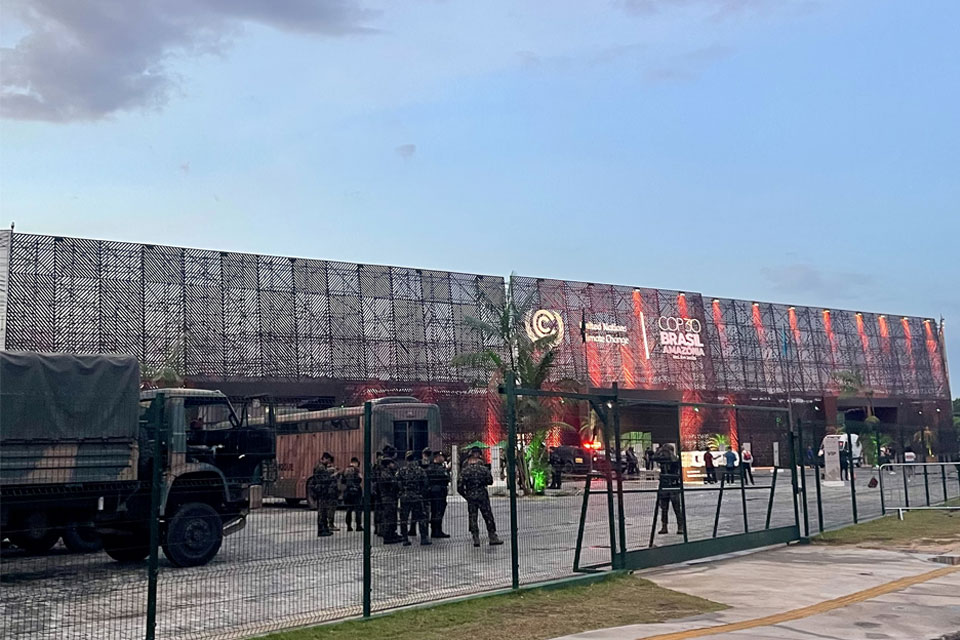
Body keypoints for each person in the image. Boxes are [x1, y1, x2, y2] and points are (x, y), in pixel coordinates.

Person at [458, 447, 503, 547]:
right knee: (488, 516)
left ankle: (476, 538)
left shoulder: (465, 470)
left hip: (471, 496)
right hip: (483, 495)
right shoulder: (484, 469)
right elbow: (490, 481)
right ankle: (492, 536)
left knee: (473, 516)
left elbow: (459, 486)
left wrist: (466, 496)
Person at [397, 450, 430, 546]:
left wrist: (402, 491)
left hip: (405, 497)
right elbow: (425, 484)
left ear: (406, 459)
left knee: (404, 518)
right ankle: (423, 538)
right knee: (421, 517)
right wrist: (421, 493)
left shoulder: (401, 471)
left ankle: (405, 538)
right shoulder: (420, 470)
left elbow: (397, 483)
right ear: (415, 459)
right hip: (417, 497)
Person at [653, 444, 684, 535]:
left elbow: (674, 460)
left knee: (677, 508)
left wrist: (668, 452)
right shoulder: (663, 460)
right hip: (664, 485)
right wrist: (660, 450)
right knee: (664, 508)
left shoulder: (675, 459)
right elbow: (654, 457)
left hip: (673, 486)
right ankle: (664, 526)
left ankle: (680, 526)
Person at [376, 447, 403, 544]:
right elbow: (393, 483)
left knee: (392, 516)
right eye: (391, 463)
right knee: (389, 517)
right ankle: (388, 536)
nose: (393, 464)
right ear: (388, 465)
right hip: (387, 498)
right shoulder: (385, 473)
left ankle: (392, 533)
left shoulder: (388, 473)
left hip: (391, 497)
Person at [310, 452, 339, 538]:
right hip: (322, 492)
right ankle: (322, 530)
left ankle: (325, 529)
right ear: (325, 459)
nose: (329, 462)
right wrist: (334, 475)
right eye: (328, 460)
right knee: (322, 511)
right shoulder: (320, 467)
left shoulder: (322, 467)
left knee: (324, 511)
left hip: (323, 492)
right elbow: (326, 479)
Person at [426, 450, 451, 538]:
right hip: (439, 492)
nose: (443, 458)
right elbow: (447, 478)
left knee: (434, 511)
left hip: (433, 492)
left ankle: (435, 530)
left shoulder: (429, 468)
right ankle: (437, 530)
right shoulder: (439, 469)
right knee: (438, 511)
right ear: (438, 457)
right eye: (442, 457)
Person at [341, 457, 363, 532]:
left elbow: (342, 481)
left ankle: (349, 526)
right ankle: (358, 526)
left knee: (349, 510)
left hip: (347, 491)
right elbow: (359, 479)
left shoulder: (345, 470)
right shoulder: (356, 470)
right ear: (356, 462)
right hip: (356, 491)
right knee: (358, 509)